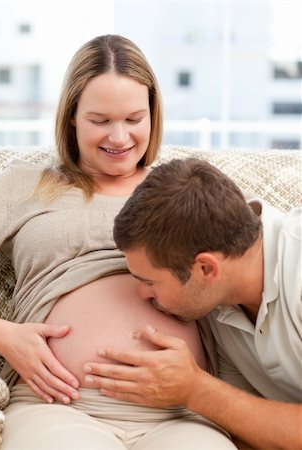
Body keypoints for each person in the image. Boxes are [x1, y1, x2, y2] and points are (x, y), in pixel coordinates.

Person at [0, 36, 237, 449]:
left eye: (134, 119)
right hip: (59, 406)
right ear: (72, 117)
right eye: (100, 120)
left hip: (179, 416)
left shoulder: (183, 189)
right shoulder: (25, 184)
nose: (119, 137)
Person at [83, 157, 302, 450]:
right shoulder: (218, 290)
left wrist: (196, 390)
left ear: (206, 269)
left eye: (150, 281)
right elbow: (249, 423)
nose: (143, 295)